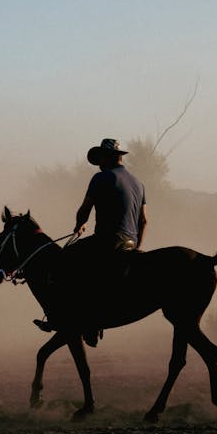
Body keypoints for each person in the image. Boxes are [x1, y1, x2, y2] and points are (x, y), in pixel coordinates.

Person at [34, 139, 147, 341]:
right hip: (130, 243)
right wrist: (136, 246)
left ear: (109, 157)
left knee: (64, 259)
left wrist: (79, 225)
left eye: (101, 158)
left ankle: (71, 319)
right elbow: (144, 221)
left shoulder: (101, 178)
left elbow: (84, 210)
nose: (99, 163)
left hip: (107, 241)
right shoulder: (139, 183)